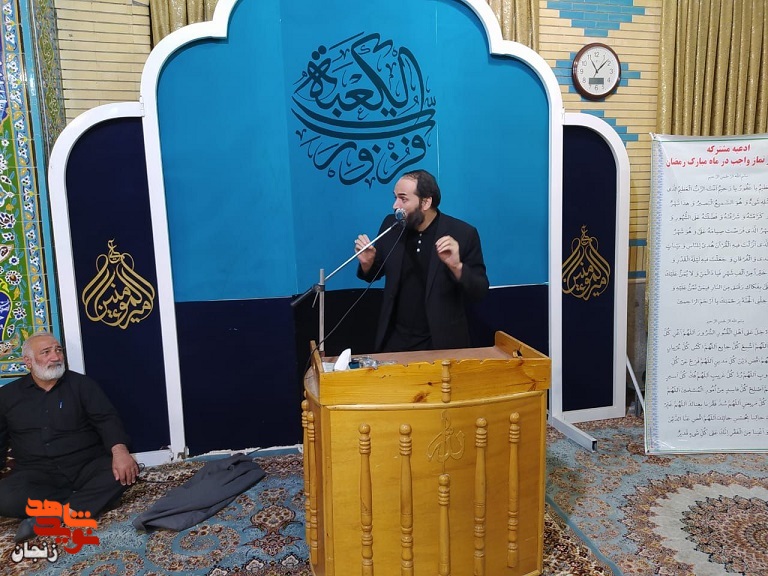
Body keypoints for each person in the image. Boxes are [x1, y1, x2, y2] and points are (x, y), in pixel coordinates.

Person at [0, 331, 139, 542]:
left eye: (58, 350)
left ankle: (55, 515)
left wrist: (120, 452)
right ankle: (84, 503)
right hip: (37, 474)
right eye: (46, 352)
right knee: (4, 497)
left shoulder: (82, 385)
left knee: (123, 472)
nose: (55, 357)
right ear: (28, 361)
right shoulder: (7, 396)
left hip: (85, 466)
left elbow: (106, 420)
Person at [355, 169, 489, 352]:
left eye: (403, 199)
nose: (395, 206)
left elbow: (479, 291)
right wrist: (367, 263)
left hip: (441, 343)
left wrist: (456, 266)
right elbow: (372, 274)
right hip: (395, 340)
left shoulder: (463, 233)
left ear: (426, 202)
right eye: (395, 197)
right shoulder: (391, 226)